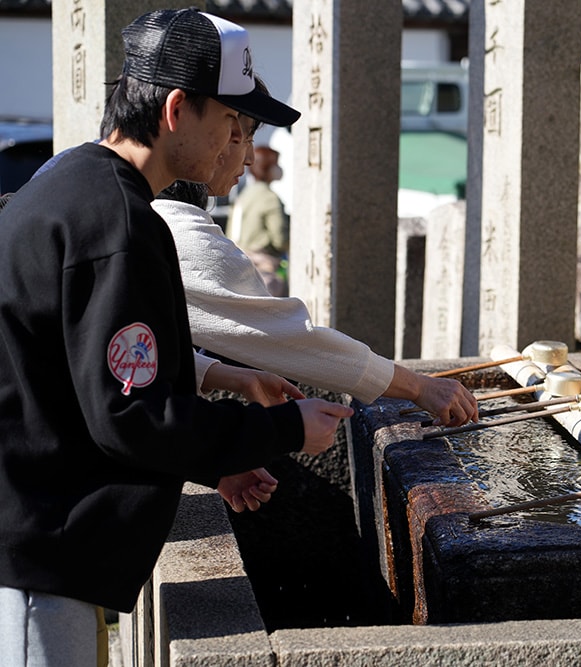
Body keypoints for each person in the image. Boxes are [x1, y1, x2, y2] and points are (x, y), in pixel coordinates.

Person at [0, 9, 353, 666]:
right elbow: (131, 415)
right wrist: (286, 429)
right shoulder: (119, 226)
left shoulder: (74, 181)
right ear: (175, 109)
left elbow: (92, 375)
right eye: (231, 123)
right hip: (35, 558)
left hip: (33, 538)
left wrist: (212, 452)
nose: (239, 147)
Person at [152, 95, 479, 429]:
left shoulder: (149, 208)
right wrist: (418, 386)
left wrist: (218, 376)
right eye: (237, 134)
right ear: (178, 116)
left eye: (245, 135)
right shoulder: (176, 228)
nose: (246, 155)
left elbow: (137, 353)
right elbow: (286, 337)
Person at [227, 144, 290, 296]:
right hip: (265, 271)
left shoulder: (243, 196)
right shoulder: (270, 198)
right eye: (276, 164)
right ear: (267, 167)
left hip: (238, 267)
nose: (279, 169)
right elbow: (280, 239)